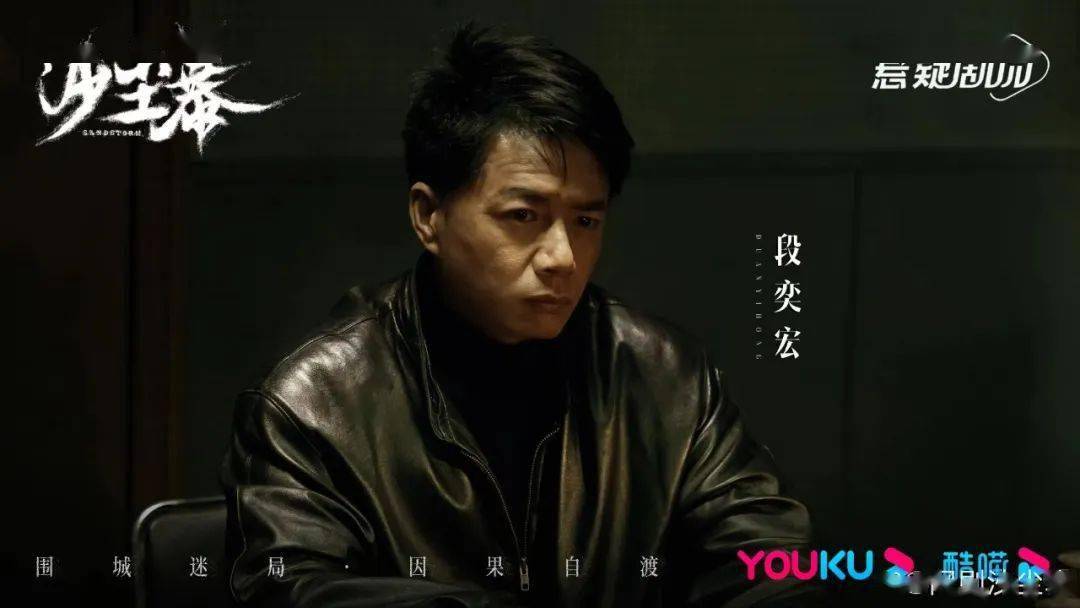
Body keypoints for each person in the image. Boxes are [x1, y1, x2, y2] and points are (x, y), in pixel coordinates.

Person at [220, 23, 820, 607]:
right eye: (523, 216)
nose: (563, 258)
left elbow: (768, 561)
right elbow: (292, 585)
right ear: (428, 216)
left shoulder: (665, 376)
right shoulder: (311, 405)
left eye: (586, 220)